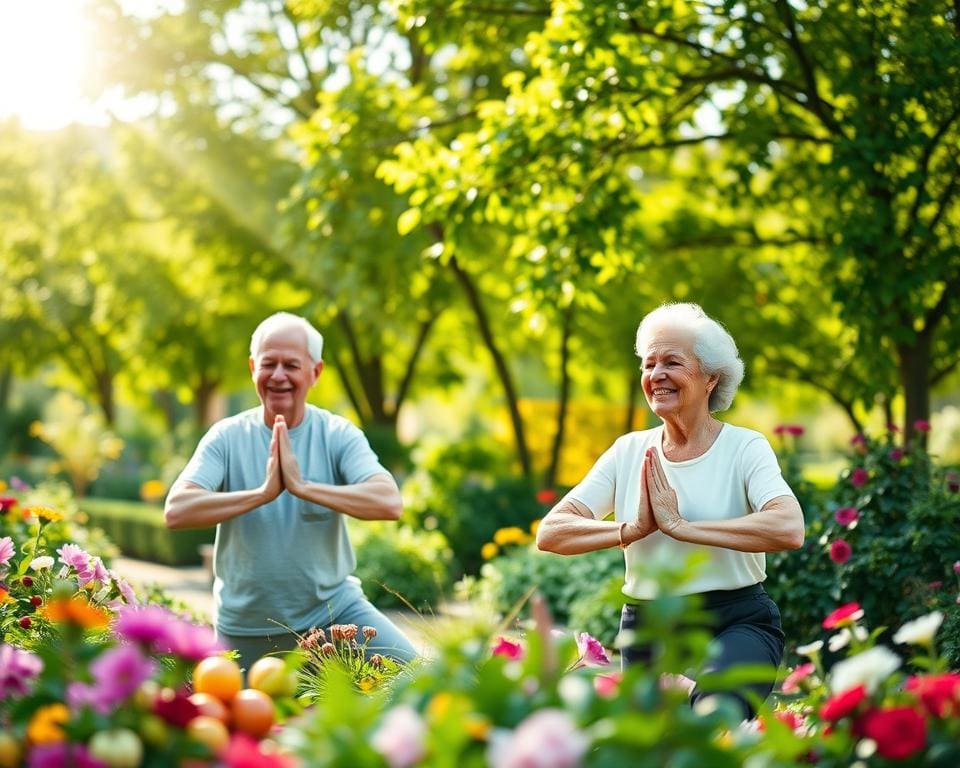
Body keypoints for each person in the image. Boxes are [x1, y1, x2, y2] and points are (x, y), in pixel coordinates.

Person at [536, 302, 804, 719]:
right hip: (649, 627)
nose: (656, 375)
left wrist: (682, 526)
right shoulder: (628, 451)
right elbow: (551, 532)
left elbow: (789, 527)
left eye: (672, 362)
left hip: (736, 619)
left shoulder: (744, 447)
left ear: (711, 377)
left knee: (714, 715)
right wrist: (632, 528)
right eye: (649, 364)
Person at [164, 312, 417, 669]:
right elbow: (176, 510)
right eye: (269, 364)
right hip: (246, 629)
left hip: (335, 617)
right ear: (253, 368)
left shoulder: (337, 434)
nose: (279, 375)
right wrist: (262, 494)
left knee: (418, 679)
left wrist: (303, 487)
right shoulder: (226, 436)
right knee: (249, 722)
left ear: (315, 372)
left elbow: (388, 501)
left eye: (291, 365)